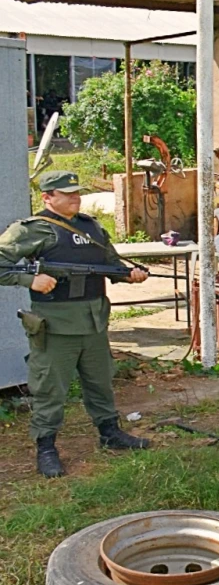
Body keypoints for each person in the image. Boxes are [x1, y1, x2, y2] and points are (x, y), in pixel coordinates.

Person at [0, 171, 151, 478]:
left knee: (100, 382)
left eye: (76, 192)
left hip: (94, 323)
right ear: (47, 197)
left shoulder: (91, 226)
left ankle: (110, 434)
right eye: (66, 193)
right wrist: (30, 279)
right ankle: (46, 448)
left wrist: (129, 274)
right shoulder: (33, 230)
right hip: (56, 327)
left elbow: (111, 265)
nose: (74, 197)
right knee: (49, 390)